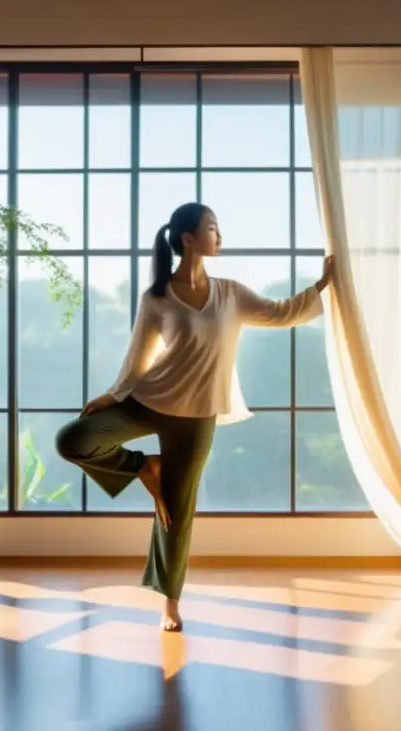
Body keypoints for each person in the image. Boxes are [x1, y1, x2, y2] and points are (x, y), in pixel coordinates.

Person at [55, 202, 334, 632]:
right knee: (72, 440)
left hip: (198, 414)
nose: (219, 236)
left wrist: (324, 284)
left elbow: (281, 314)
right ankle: (144, 466)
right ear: (188, 239)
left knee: (176, 512)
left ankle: (170, 605)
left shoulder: (231, 293)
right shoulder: (158, 298)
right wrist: (112, 396)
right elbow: (138, 357)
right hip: (150, 399)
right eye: (212, 228)